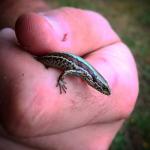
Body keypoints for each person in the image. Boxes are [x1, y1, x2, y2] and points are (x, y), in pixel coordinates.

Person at [0, 0, 139, 150]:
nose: (103, 91)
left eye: (104, 89)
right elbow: (68, 71)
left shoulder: (86, 75)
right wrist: (61, 81)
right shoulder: (83, 72)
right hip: (48, 57)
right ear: (97, 82)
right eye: (103, 87)